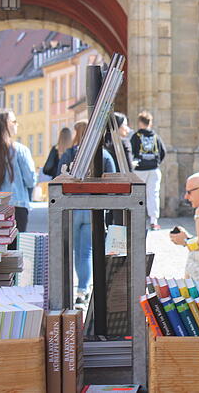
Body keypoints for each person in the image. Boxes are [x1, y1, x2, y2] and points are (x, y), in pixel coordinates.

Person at [58, 120, 117, 303]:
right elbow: (114, 183)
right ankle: (86, 288)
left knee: (78, 252)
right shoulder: (105, 155)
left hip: (74, 207)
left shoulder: (69, 153)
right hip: (95, 209)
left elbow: (56, 176)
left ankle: (81, 289)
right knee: (89, 251)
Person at [129, 111, 166, 230]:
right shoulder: (156, 136)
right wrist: (156, 162)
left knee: (137, 194)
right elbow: (163, 151)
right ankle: (154, 221)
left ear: (140, 122)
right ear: (150, 122)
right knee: (154, 195)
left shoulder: (136, 136)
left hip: (140, 169)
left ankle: (135, 219)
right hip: (154, 169)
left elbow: (131, 152)